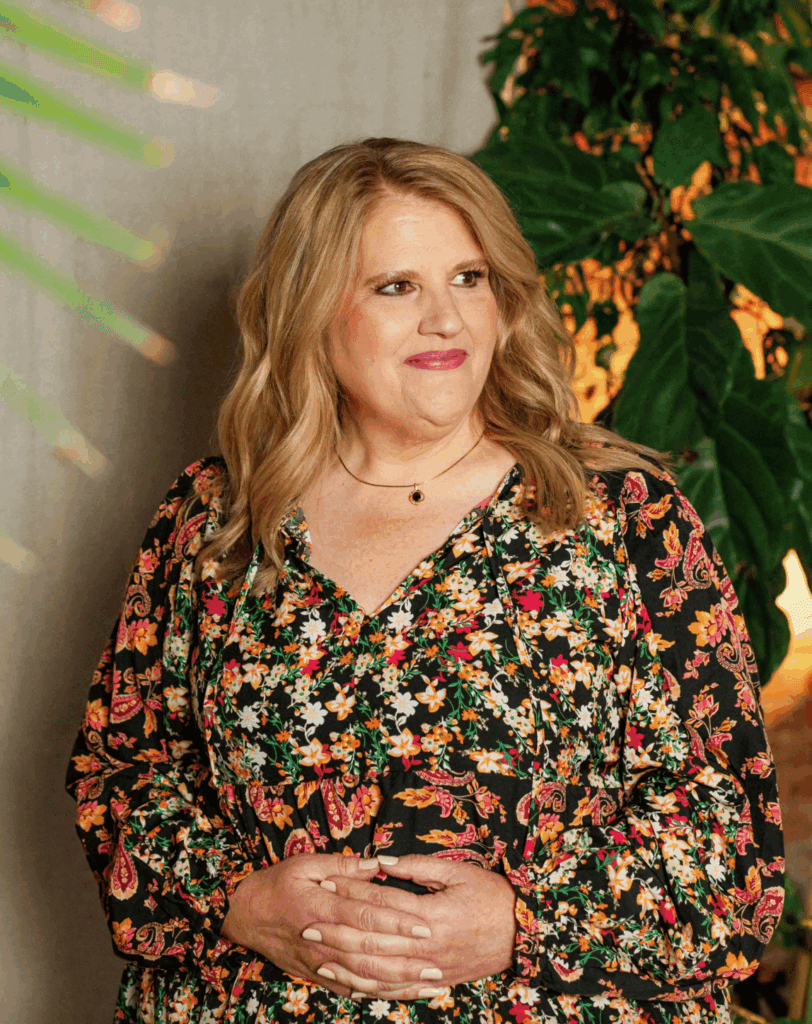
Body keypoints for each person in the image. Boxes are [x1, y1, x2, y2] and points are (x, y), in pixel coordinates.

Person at [66, 136, 784, 1024]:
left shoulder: (625, 518)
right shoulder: (215, 520)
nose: (445, 318)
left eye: (470, 279)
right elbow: (121, 776)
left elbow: (730, 842)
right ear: (312, 309)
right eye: (396, 286)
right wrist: (236, 901)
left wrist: (526, 926)